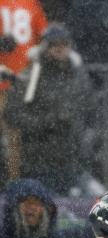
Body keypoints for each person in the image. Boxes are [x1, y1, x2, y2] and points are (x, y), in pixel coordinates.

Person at [3, 23, 95, 195]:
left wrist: (86, 135)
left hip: (74, 160)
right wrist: (46, 122)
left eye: (64, 43)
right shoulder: (31, 75)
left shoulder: (79, 76)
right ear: (45, 47)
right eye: (53, 44)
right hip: (40, 160)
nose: (59, 48)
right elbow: (12, 115)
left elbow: (92, 110)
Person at [0, 0, 48, 186]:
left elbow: (43, 41)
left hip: (21, 83)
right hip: (15, 81)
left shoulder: (31, 4)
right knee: (13, 139)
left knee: (16, 139)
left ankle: (15, 183)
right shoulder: (30, 4)